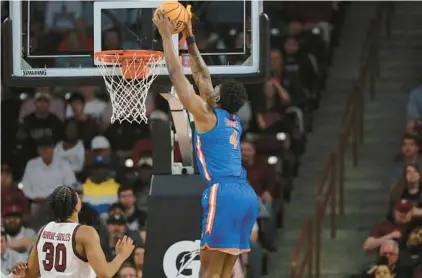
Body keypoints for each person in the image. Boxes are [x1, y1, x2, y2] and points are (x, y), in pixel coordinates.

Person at [154, 12, 259, 278]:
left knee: (208, 273)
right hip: (245, 195)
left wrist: (167, 36)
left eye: (216, 89)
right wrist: (189, 38)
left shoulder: (205, 114)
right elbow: (202, 75)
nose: (211, 88)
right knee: (223, 273)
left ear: (218, 99)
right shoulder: (231, 119)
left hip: (223, 192)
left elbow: (177, 74)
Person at [24, 185, 135, 278]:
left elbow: (31, 273)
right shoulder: (84, 233)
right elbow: (104, 274)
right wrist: (121, 255)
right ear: (77, 206)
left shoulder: (43, 230)